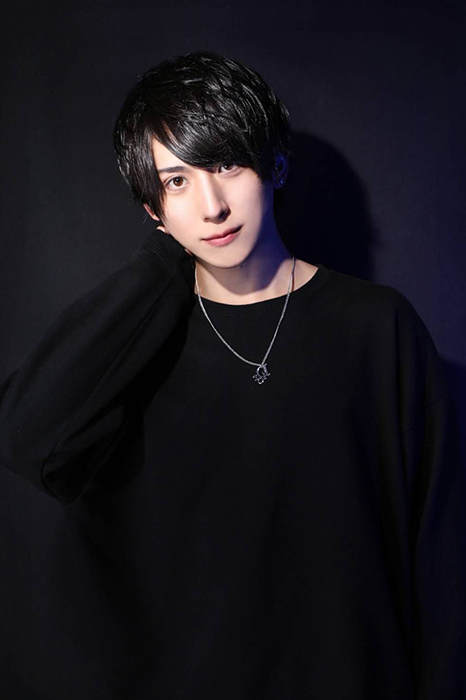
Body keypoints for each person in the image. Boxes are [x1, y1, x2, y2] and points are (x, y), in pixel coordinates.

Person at [0, 50, 465, 700]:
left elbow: (442, 556)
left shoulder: (376, 327)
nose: (212, 205)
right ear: (152, 208)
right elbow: (27, 437)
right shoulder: (138, 340)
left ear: (275, 165)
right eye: (177, 181)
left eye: (226, 164)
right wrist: (164, 259)